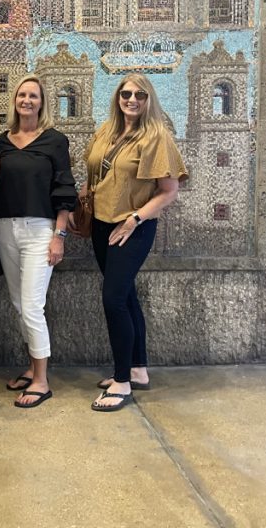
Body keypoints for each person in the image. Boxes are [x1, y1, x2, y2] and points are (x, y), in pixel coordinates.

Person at [78, 74, 187, 412]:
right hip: (101, 222)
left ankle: (122, 380)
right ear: (118, 97)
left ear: (149, 99)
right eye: (126, 94)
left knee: (113, 300)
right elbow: (95, 171)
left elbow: (169, 191)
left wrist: (135, 218)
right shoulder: (107, 131)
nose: (132, 100)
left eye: (140, 94)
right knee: (126, 297)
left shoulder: (157, 137)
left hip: (132, 227)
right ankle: (138, 369)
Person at [0, 75, 76, 409]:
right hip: (4, 228)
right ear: (15, 100)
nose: (27, 100)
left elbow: (64, 189)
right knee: (17, 303)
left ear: (42, 103)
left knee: (32, 306)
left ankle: (42, 380)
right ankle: (32, 366)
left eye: (33, 96)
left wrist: (59, 236)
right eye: (22, 95)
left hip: (41, 230)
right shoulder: (3, 142)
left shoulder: (55, 141)